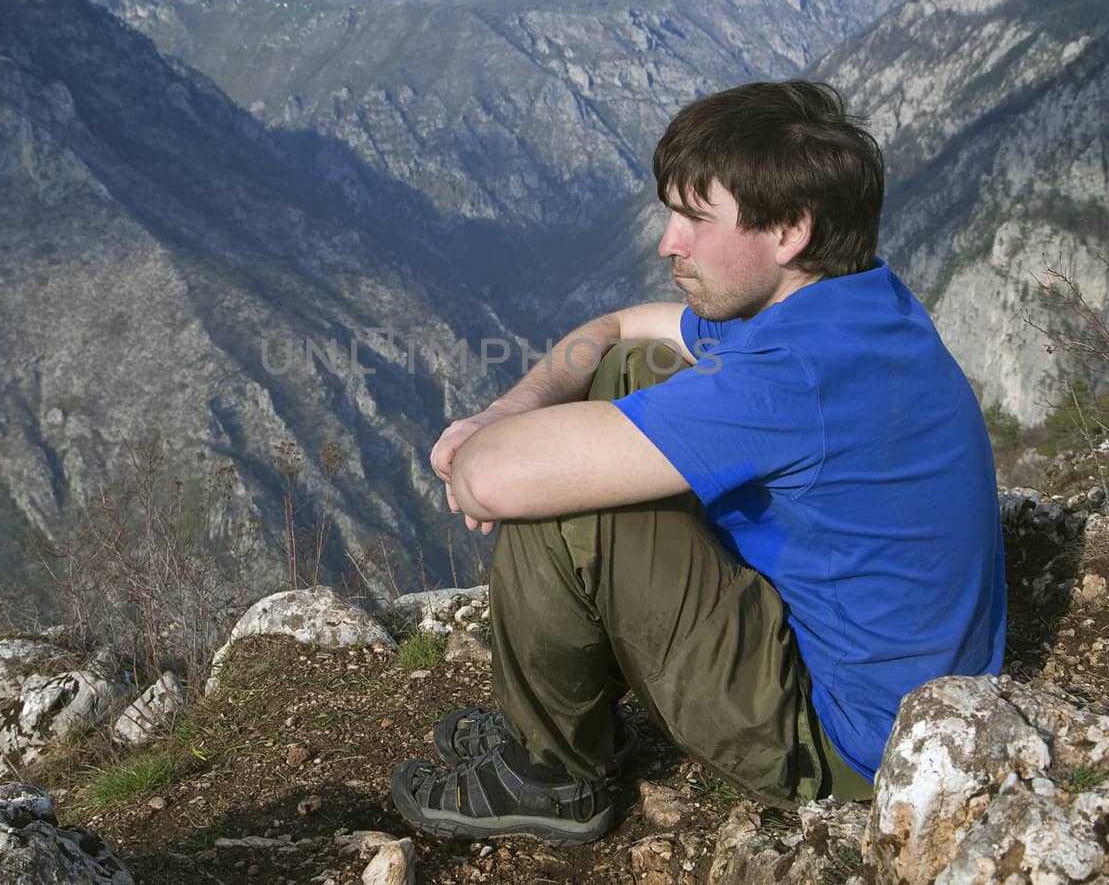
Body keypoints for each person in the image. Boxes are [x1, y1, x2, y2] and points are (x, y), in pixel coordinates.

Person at [389, 80, 1006, 846]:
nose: (667, 242)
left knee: (568, 496)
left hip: (848, 742)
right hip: (900, 689)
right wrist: (505, 413)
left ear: (789, 230)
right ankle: (565, 710)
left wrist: (486, 444)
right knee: (631, 369)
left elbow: (489, 478)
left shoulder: (790, 378)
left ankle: (551, 772)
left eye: (694, 217)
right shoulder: (847, 304)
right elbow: (618, 329)